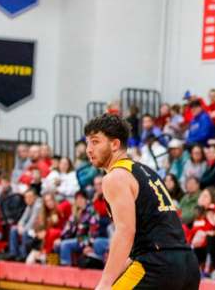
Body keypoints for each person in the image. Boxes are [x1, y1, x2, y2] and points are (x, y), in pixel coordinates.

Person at [84, 114, 200, 290]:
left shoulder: (115, 177)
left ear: (114, 144)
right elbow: (143, 239)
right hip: (187, 265)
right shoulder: (146, 171)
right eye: (88, 143)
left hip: (157, 265)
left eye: (95, 142)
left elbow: (125, 232)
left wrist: (105, 282)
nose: (88, 149)